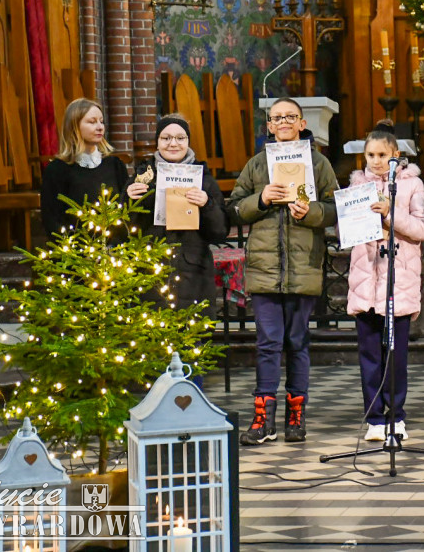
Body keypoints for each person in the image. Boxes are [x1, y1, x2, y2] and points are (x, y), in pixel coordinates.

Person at [229, 98, 338, 445]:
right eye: (278, 118)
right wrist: (261, 198)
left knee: (297, 342)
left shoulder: (318, 163)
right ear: (270, 126)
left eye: (291, 117)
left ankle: (296, 414)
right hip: (264, 268)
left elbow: (336, 208)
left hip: (303, 265)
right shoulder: (257, 165)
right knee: (267, 344)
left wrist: (311, 213)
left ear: (302, 124)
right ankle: (263, 418)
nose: (285, 122)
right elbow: (234, 207)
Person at [347, 121, 424, 441]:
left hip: (398, 281)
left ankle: (396, 415)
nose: (375, 160)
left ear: (396, 155)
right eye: (370, 154)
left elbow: (423, 229)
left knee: (395, 354)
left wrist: (389, 213)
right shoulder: (357, 185)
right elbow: (348, 231)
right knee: (369, 353)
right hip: (366, 280)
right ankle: (374, 418)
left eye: (382, 154)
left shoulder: (411, 185)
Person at [125, 114, 229, 317]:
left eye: (180, 138)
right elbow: (123, 228)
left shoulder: (204, 180)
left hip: (194, 278)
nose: (173, 143)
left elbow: (220, 232)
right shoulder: (141, 178)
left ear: (188, 142)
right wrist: (129, 200)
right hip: (150, 276)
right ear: (157, 142)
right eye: (166, 138)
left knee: (193, 344)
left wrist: (207, 205)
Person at [41, 98, 129, 238]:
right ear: (74, 126)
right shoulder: (57, 170)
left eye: (101, 121)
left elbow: (127, 211)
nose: (100, 127)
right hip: (75, 254)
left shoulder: (115, 165)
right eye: (92, 122)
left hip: (116, 251)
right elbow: (52, 218)